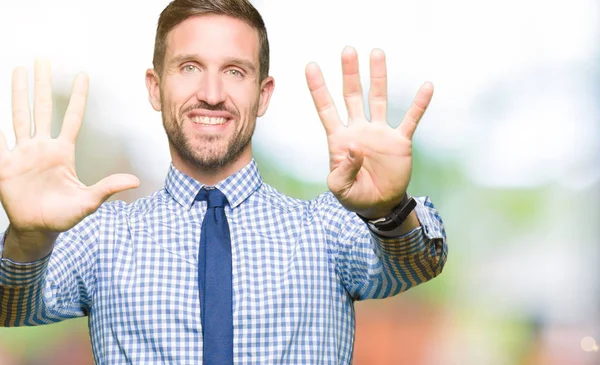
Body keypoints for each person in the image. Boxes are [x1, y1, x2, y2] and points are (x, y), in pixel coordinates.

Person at [0, 0, 447, 363]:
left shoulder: (327, 229)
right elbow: (10, 307)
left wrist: (388, 209)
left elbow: (419, 262)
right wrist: (27, 238)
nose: (212, 93)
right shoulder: (101, 238)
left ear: (263, 94)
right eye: (189, 66)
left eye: (235, 71)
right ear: (155, 87)